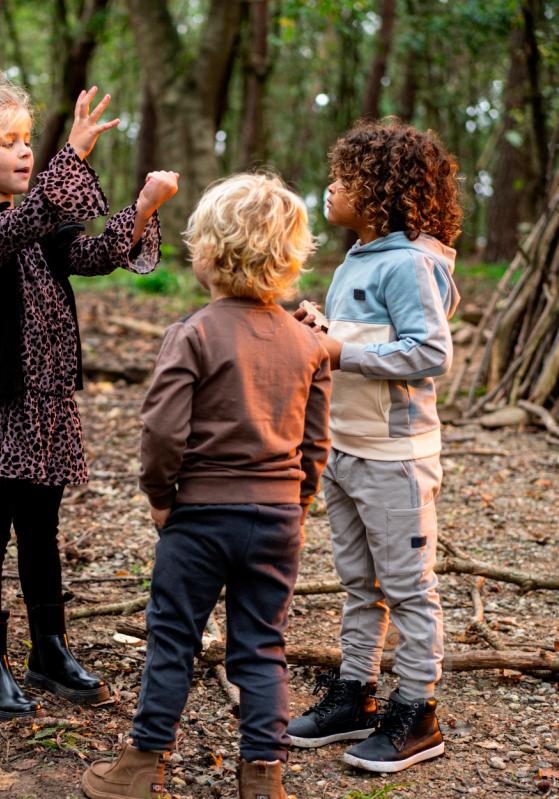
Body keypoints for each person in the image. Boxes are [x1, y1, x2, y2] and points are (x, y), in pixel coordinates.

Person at [0, 54, 178, 719]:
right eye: (5, 143)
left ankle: (49, 647)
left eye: (26, 142)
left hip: (47, 403)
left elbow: (91, 253)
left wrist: (143, 207)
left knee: (42, 526)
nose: (22, 152)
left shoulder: (39, 227)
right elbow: (16, 228)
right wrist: (72, 154)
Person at [81, 173, 331, 799]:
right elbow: (316, 439)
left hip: (197, 517)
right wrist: (299, 501)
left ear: (208, 254)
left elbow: (162, 431)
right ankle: (264, 777)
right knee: (262, 647)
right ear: (290, 259)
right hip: (276, 520)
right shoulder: (309, 343)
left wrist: (161, 497)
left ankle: (141, 768)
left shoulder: (191, 334)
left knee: (173, 637)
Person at [289, 119, 462, 773]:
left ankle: (417, 711)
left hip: (395, 456)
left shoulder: (411, 262)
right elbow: (363, 344)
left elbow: (428, 352)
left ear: (381, 191)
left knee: (409, 589)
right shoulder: (357, 259)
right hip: (346, 449)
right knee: (359, 584)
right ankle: (355, 694)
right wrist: (325, 329)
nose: (330, 186)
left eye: (344, 178)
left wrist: (338, 347)